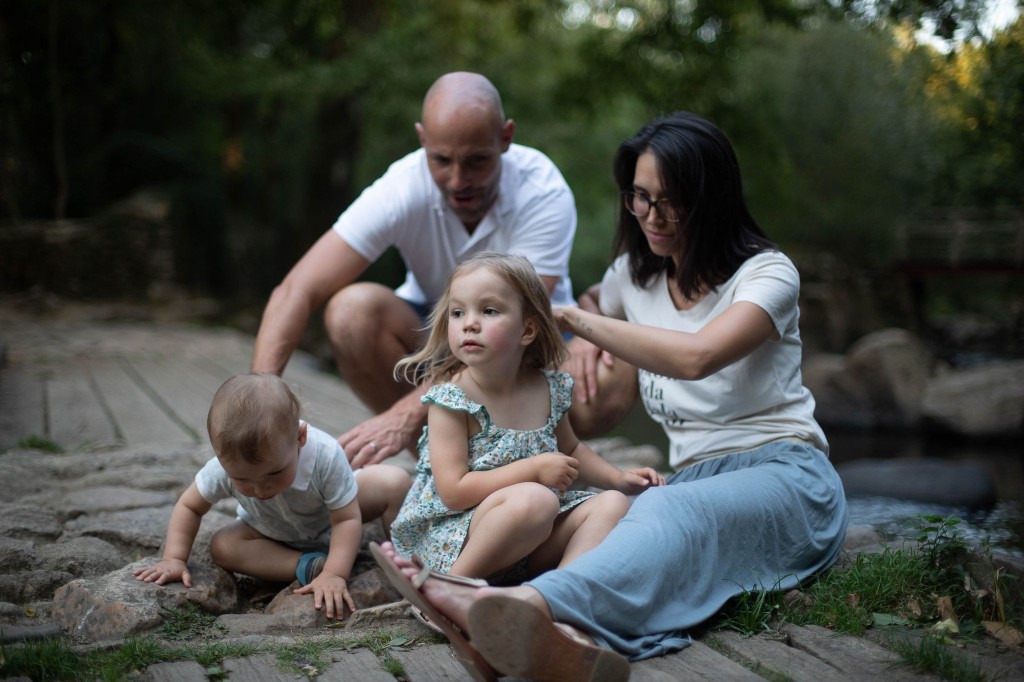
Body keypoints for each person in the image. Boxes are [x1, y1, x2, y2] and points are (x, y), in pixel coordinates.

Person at [370, 112, 850, 681]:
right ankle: (556, 635)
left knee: (666, 509)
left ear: (712, 198)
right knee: (631, 515)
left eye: (669, 201)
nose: (651, 216)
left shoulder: (767, 275)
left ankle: (522, 607)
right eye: (639, 198)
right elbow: (604, 305)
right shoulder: (634, 276)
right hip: (697, 478)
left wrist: (573, 318)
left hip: (784, 473)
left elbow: (695, 356)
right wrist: (583, 336)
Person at [249, 71, 581, 487]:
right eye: (441, 160)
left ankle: (540, 451)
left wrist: (402, 415)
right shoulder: (401, 186)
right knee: (351, 312)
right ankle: (441, 462)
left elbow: (514, 327)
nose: (459, 181)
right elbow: (298, 288)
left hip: (532, 341)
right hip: (434, 325)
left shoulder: (543, 191)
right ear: (422, 139)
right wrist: (259, 401)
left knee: (602, 372)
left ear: (505, 137)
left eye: (477, 160)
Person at [389, 252, 664, 582]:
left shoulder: (548, 387)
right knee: (537, 499)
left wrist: (618, 479)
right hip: (458, 539)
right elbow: (454, 491)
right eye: (458, 312)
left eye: (489, 311)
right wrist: (533, 469)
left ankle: (558, 594)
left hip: (531, 538)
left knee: (614, 505)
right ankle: (444, 589)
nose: (469, 323)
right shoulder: (451, 399)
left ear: (527, 329)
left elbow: (572, 449)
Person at [133, 373, 410, 621]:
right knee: (223, 546)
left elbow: (347, 519)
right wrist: (174, 558)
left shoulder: (324, 455)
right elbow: (189, 505)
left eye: (274, 473)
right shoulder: (223, 469)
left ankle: (407, 554)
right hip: (271, 532)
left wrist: (337, 576)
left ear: (300, 437)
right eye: (242, 479)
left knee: (394, 481)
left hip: (331, 515)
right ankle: (309, 566)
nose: (259, 489)